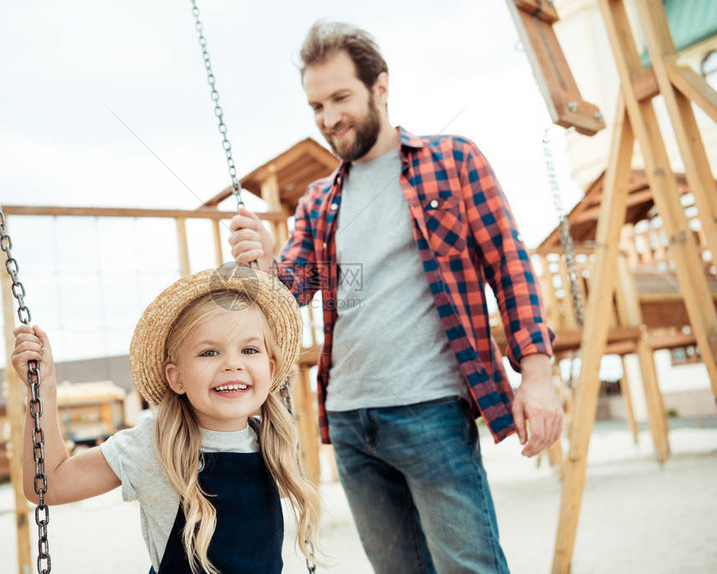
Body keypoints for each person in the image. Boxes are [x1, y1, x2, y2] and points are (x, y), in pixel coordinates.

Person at [228, 21, 563, 574]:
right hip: (350, 421)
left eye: (341, 97)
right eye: (316, 105)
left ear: (380, 87)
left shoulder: (452, 160)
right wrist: (265, 263)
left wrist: (539, 374)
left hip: (431, 408)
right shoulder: (318, 202)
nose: (329, 117)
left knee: (469, 568)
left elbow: (509, 263)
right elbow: (291, 295)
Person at [11, 265, 319, 574]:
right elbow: (49, 484)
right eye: (209, 353)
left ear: (270, 367)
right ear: (177, 377)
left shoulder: (272, 440)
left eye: (249, 349)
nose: (232, 364)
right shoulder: (152, 444)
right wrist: (44, 389)